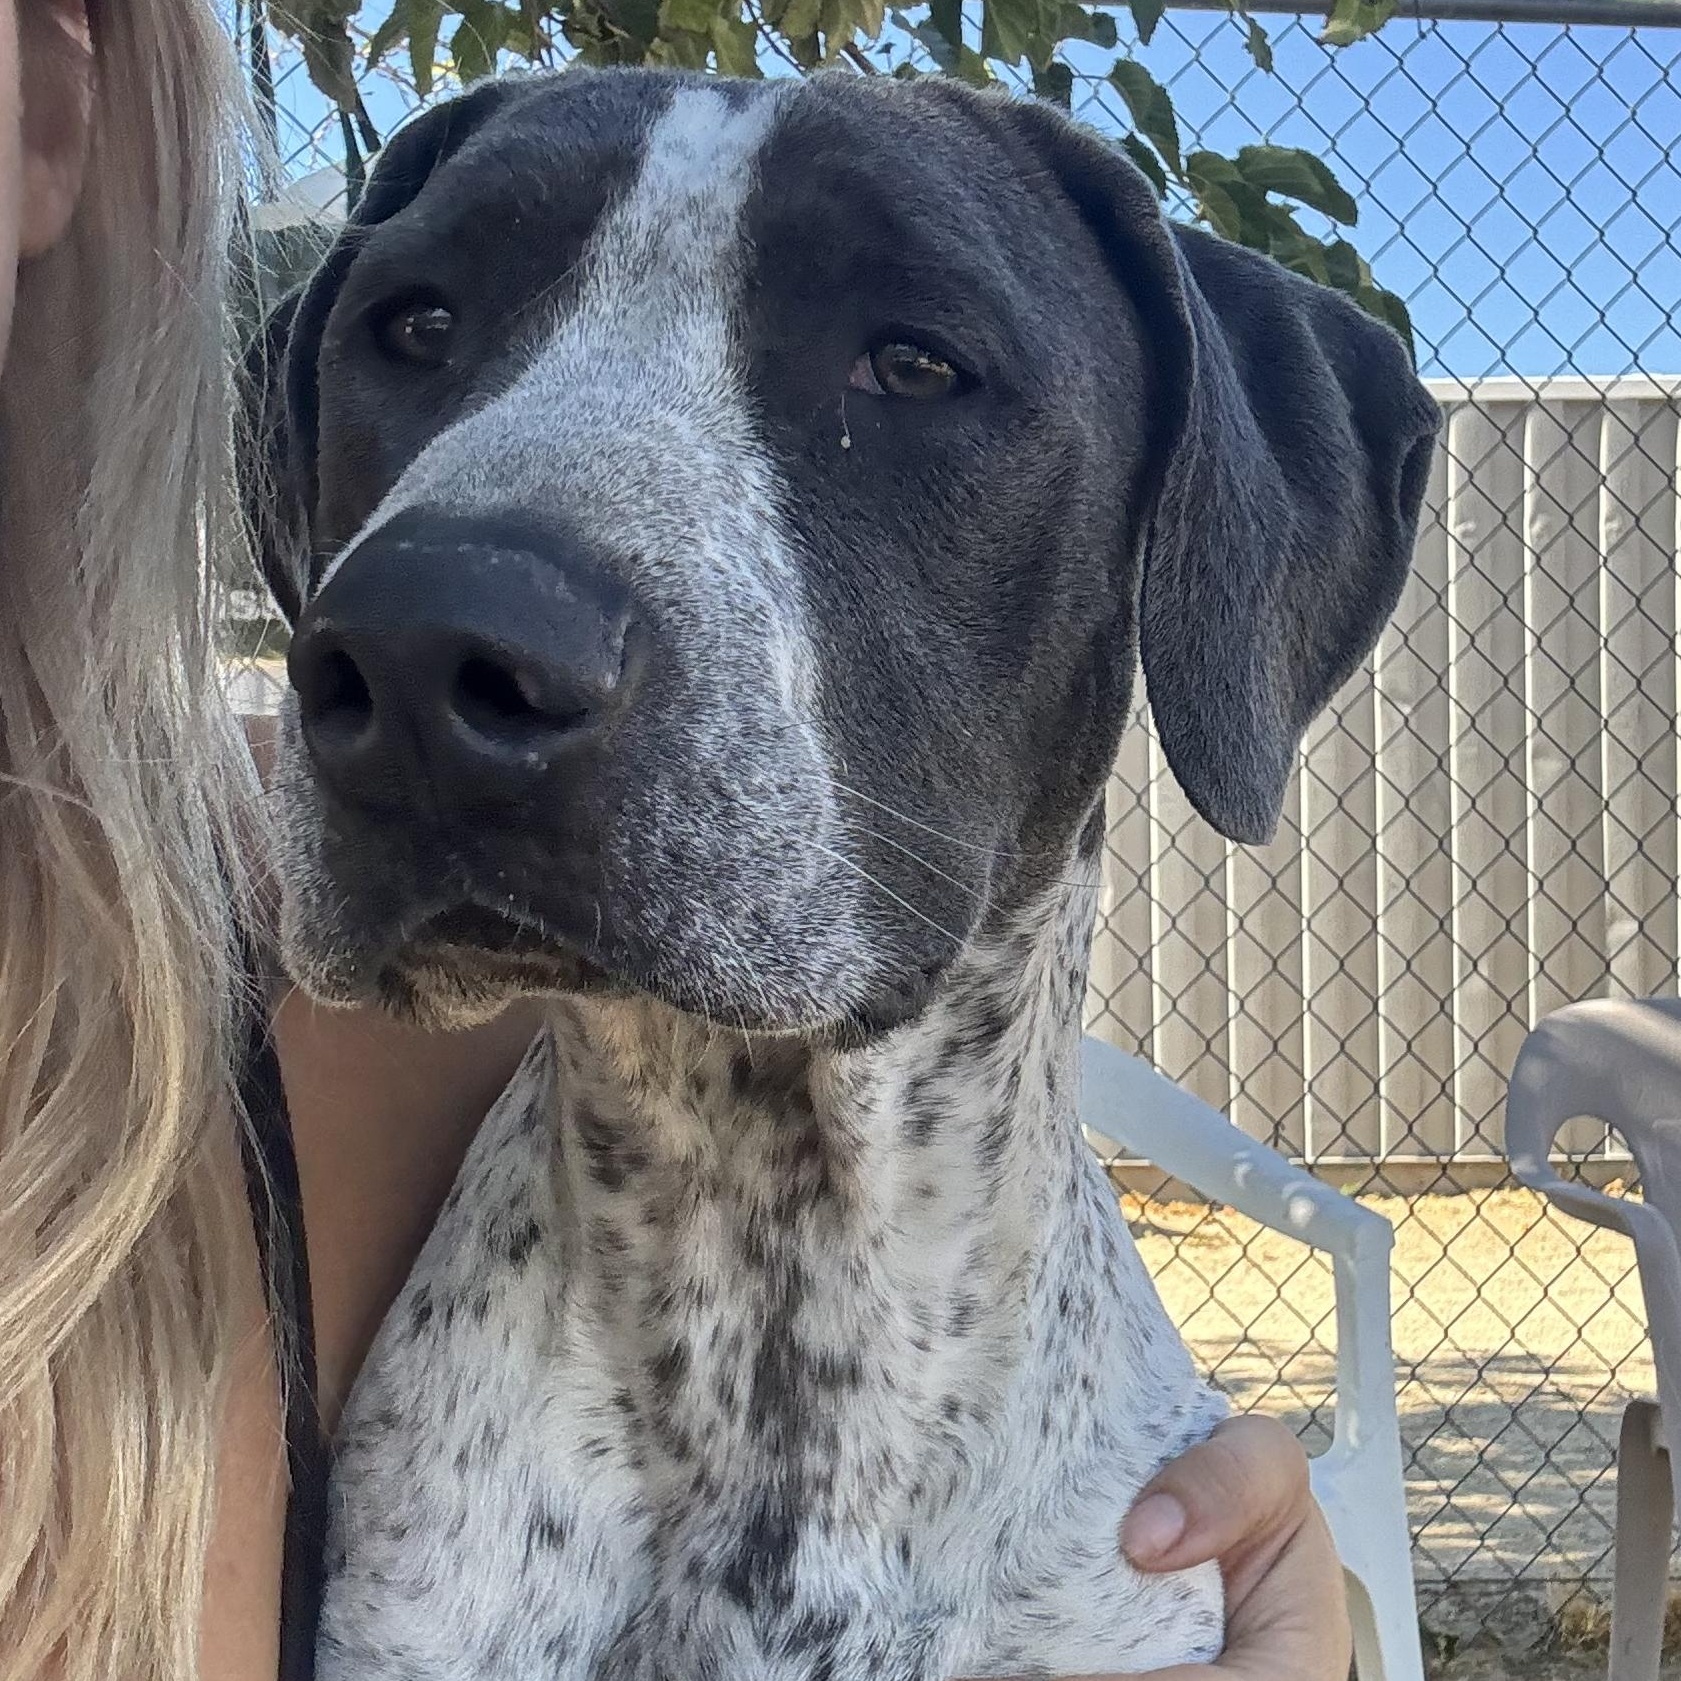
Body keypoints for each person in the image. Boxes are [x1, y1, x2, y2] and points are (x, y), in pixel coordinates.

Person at [0, 1, 1354, 1677]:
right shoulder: (226, 1072)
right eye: (418, 330)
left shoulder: (285, 1078)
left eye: (913, 366)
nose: (433, 609)